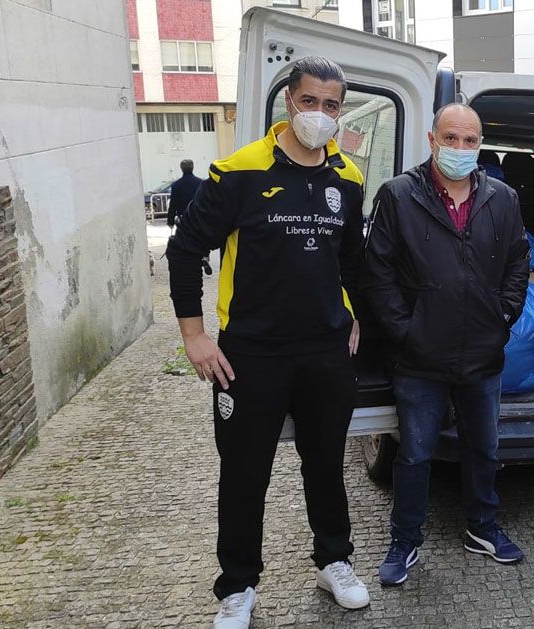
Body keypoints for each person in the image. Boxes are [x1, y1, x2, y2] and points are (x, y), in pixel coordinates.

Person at [165, 56, 370, 628]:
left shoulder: (348, 179)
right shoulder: (239, 171)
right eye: (311, 102)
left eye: (332, 105)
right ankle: (237, 586)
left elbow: (351, 261)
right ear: (289, 102)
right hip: (249, 355)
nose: (321, 115)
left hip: (325, 352)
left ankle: (334, 561)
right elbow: (184, 251)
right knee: (245, 471)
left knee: (326, 463)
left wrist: (350, 313)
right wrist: (195, 336)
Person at [361, 103, 530, 586]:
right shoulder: (398, 195)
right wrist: (405, 330)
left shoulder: (502, 197)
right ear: (432, 139)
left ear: (481, 144)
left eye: (470, 141)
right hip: (420, 357)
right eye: (451, 138)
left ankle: (483, 526)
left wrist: (504, 314)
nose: (460, 149)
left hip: (482, 352)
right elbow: (379, 274)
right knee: (414, 453)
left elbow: (518, 261)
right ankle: (405, 540)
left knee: (485, 448)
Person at [167, 159, 202, 233]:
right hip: (198, 218)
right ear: (193, 167)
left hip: (183, 218)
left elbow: (173, 204)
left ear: (181, 168)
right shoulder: (201, 183)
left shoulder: (176, 185)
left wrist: (170, 221)